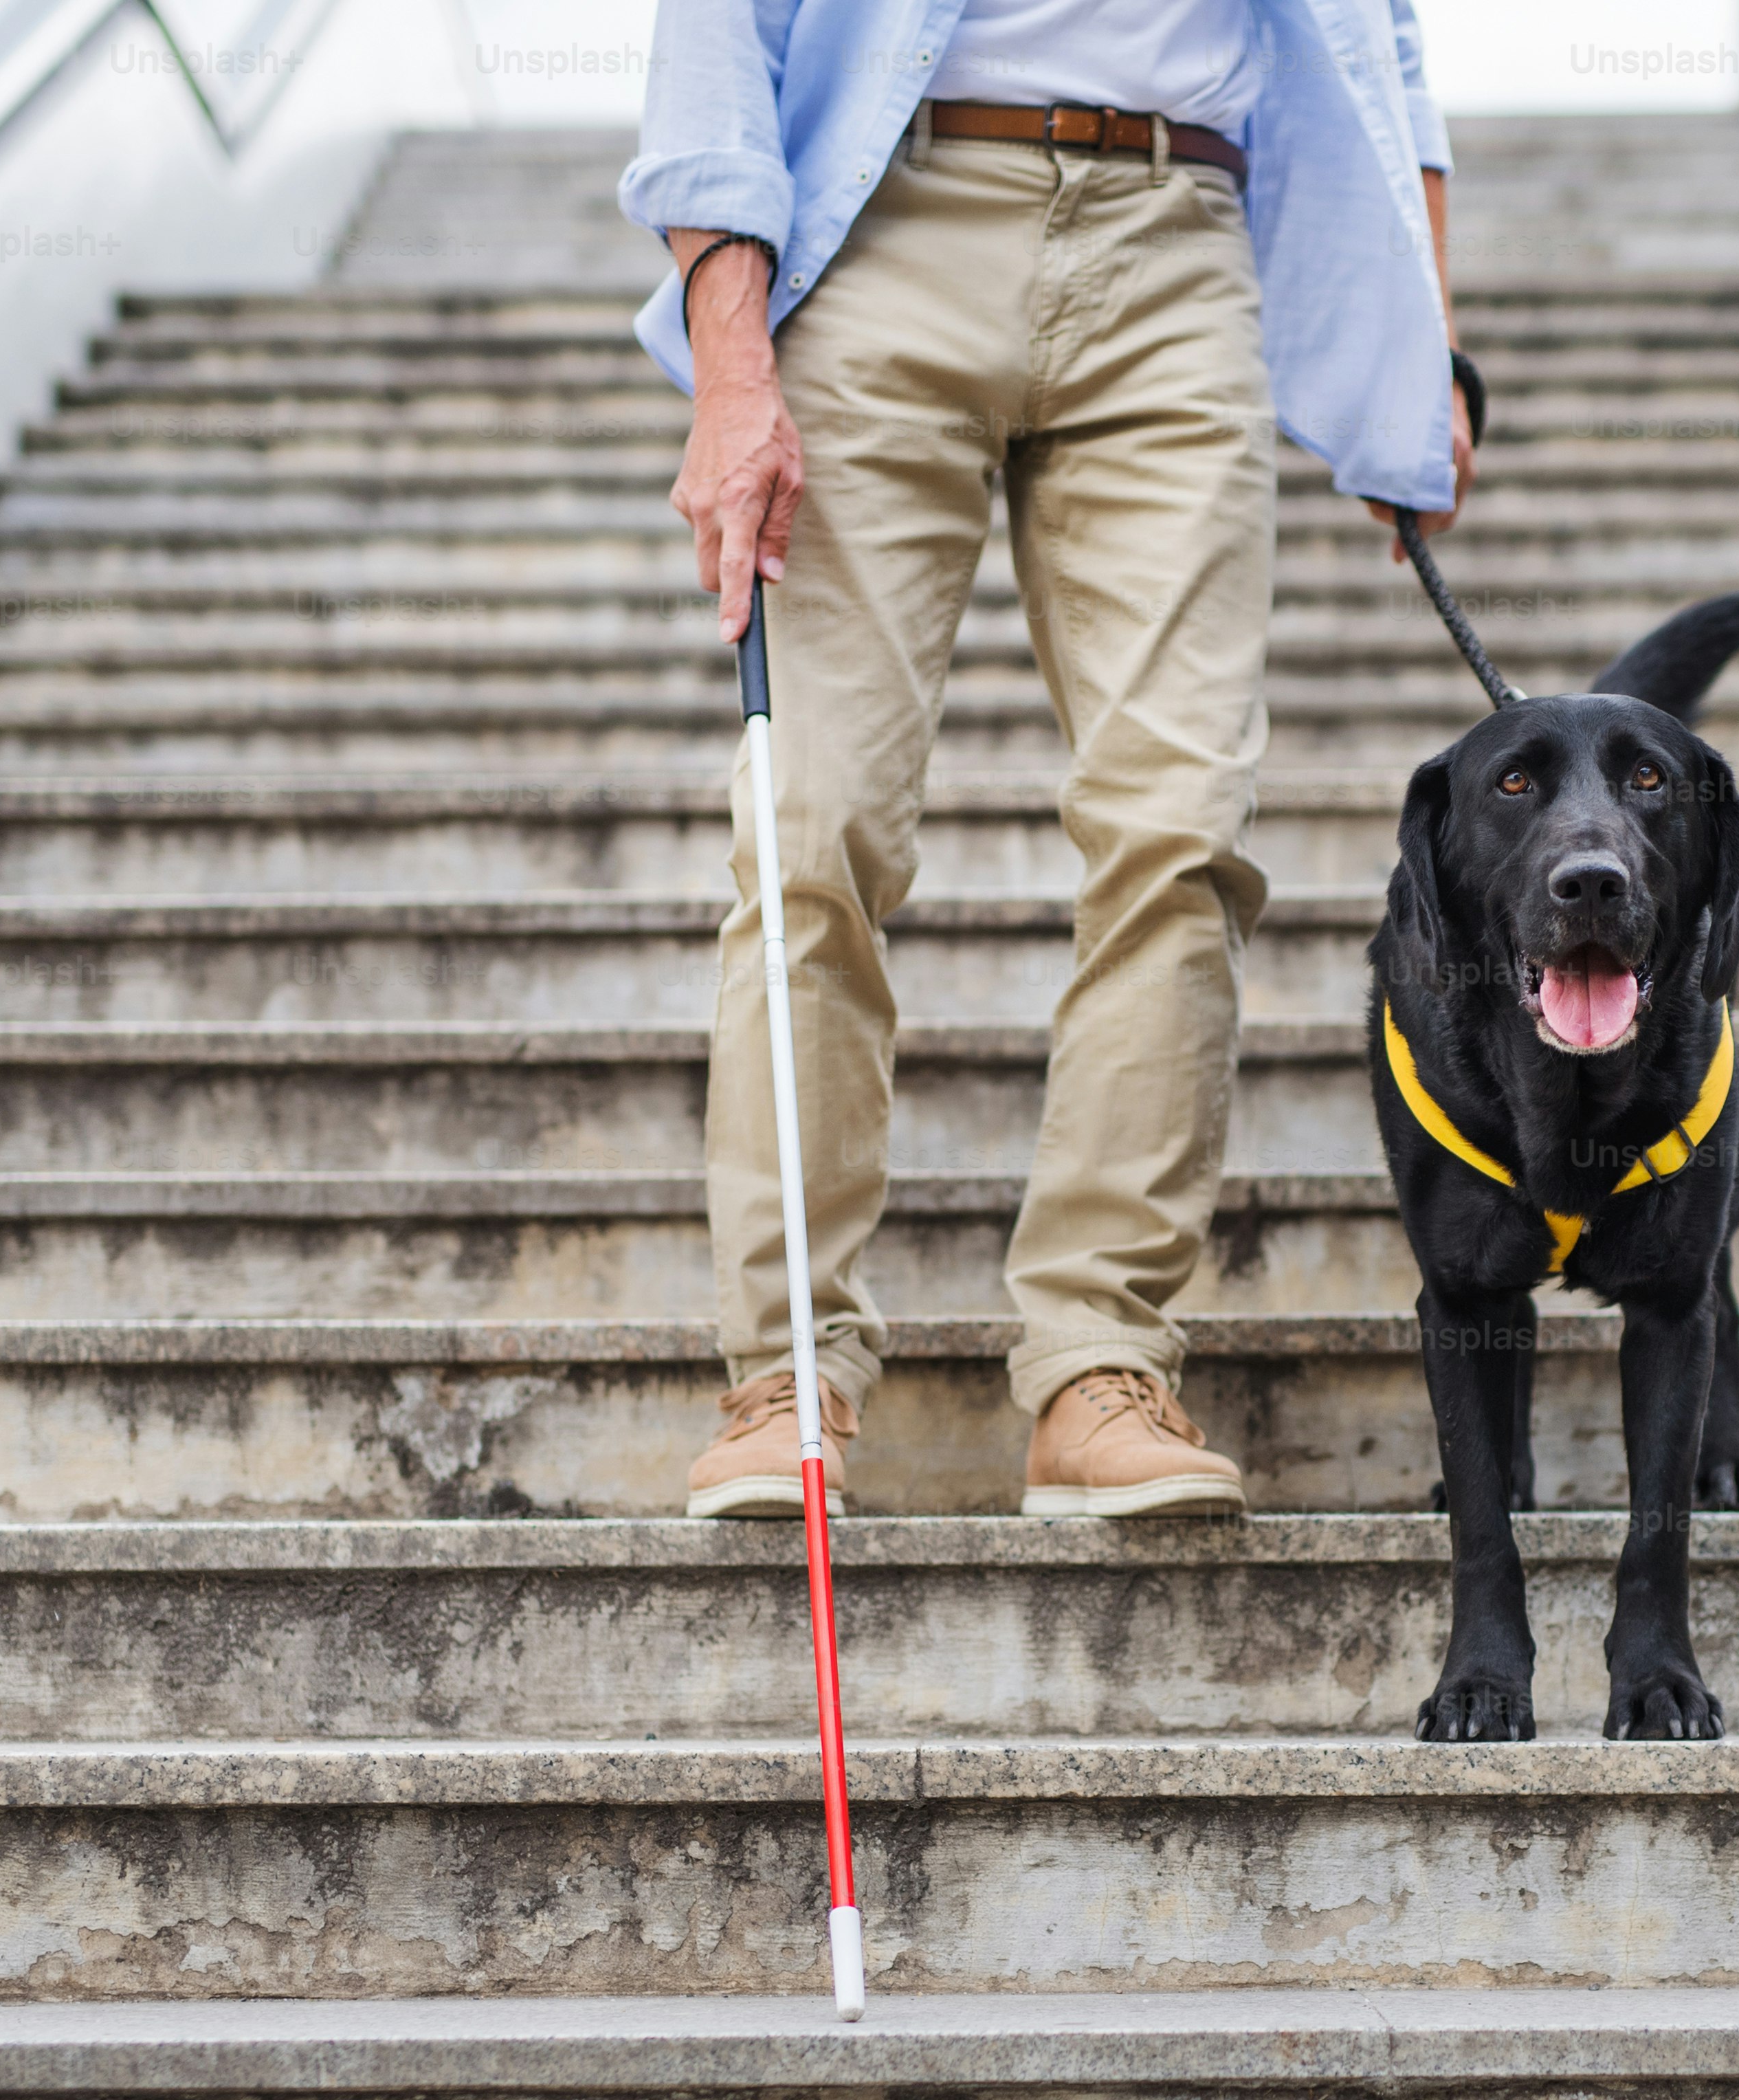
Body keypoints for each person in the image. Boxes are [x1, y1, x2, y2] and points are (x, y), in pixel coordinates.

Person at [627, 0, 1481, 1519]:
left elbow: (1385, 39)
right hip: (888, 218)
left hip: (1182, 235)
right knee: (811, 822)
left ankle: (1103, 1362)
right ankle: (786, 1375)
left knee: (1181, 826)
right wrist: (731, 358)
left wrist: (1423, 340)